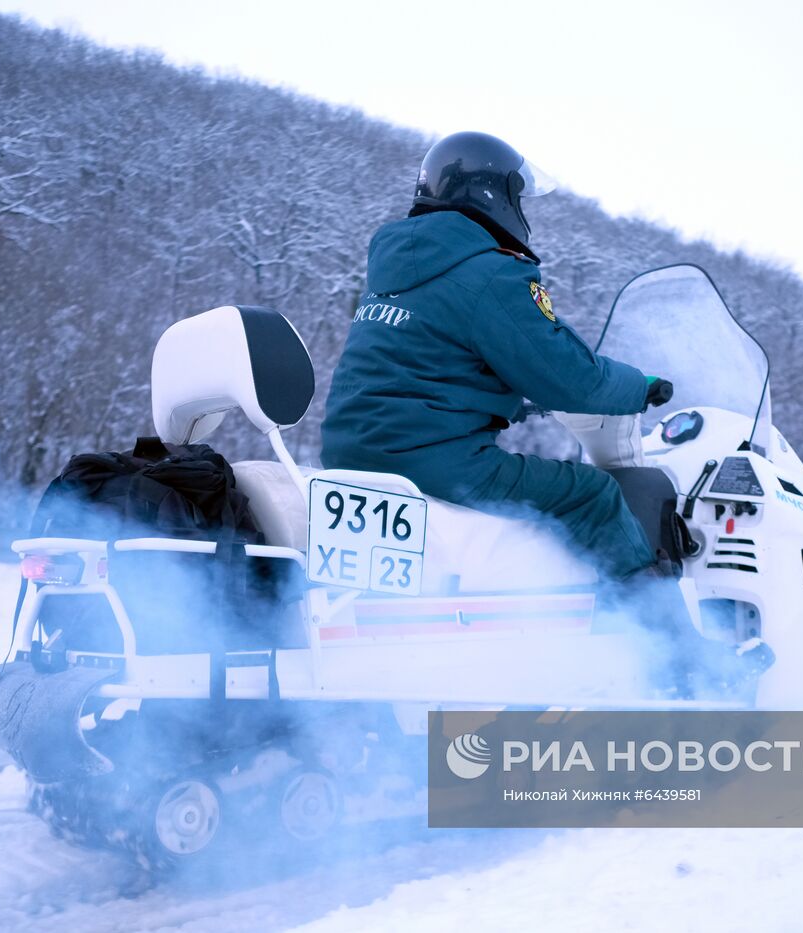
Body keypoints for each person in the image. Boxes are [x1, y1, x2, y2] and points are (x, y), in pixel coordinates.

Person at [320, 131, 770, 695]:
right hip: (436, 463)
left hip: (348, 453)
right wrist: (642, 386)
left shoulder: (398, 268)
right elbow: (572, 377)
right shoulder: (489, 272)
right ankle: (673, 661)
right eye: (519, 195)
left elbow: (427, 367)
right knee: (597, 496)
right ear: (492, 194)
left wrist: (511, 394)